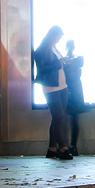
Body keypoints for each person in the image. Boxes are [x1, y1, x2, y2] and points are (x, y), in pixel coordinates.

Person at [33, 26, 73, 160]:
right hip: (51, 87)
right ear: (52, 35)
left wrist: (64, 63)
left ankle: (52, 148)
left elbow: (57, 65)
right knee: (59, 116)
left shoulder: (54, 49)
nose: (59, 40)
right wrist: (59, 63)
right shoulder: (41, 50)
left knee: (58, 117)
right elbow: (42, 69)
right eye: (58, 37)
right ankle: (63, 147)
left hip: (62, 86)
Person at [64, 40, 87, 156]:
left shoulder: (76, 59)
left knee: (73, 118)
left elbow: (78, 63)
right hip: (71, 88)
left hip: (73, 88)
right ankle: (71, 145)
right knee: (72, 118)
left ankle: (72, 145)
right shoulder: (67, 60)